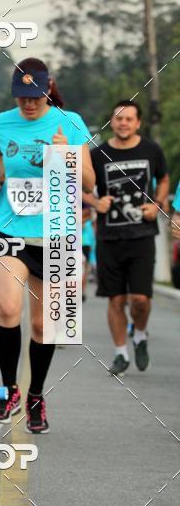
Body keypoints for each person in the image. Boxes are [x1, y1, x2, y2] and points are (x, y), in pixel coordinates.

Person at [0, 58, 95, 432]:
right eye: (21, 98)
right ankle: (9, 389)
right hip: (10, 230)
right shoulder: (0, 123)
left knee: (46, 326)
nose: (28, 105)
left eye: (35, 97)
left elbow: (91, 184)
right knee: (7, 310)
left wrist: (65, 157)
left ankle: (35, 396)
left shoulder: (71, 123)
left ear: (49, 89)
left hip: (56, 235)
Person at [84, 100, 168, 376]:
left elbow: (163, 179)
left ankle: (140, 335)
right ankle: (120, 353)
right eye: (118, 118)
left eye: (129, 119)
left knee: (141, 299)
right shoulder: (98, 154)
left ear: (138, 123)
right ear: (112, 122)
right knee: (116, 299)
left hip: (143, 236)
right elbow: (78, 185)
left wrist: (156, 203)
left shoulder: (151, 149)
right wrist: (95, 204)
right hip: (109, 237)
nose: (123, 123)